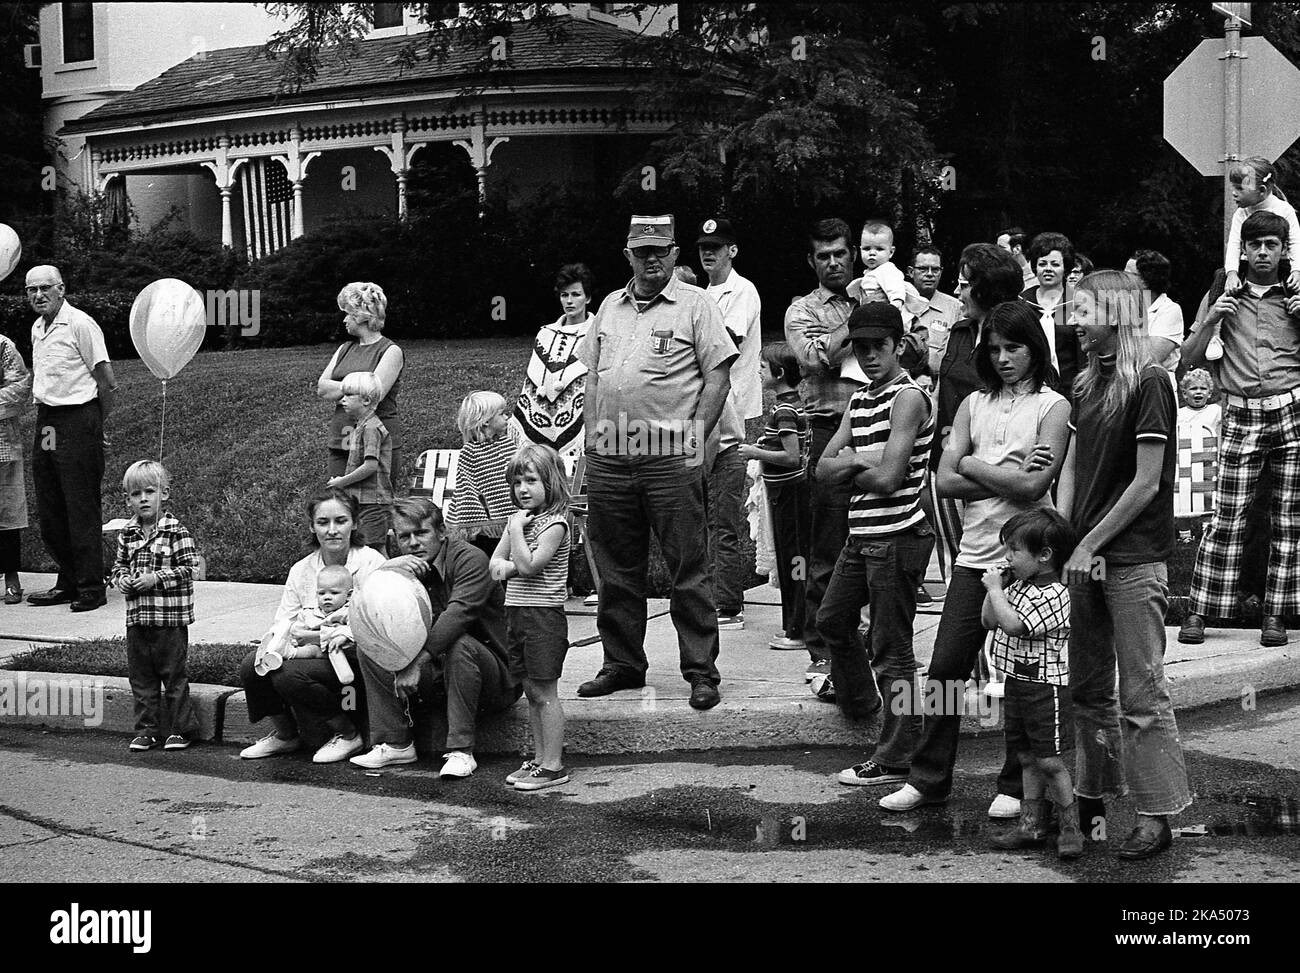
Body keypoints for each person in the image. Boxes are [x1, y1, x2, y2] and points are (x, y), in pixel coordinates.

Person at [880, 300, 1069, 816]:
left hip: (1027, 562)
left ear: (1035, 348)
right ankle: (928, 778)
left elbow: (1036, 486)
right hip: (974, 556)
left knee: (1021, 677)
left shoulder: (1053, 406)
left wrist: (968, 462)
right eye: (995, 349)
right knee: (945, 669)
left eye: (1015, 347)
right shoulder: (971, 404)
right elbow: (943, 482)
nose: (1004, 358)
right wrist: (1001, 467)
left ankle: (1015, 784)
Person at [576, 214, 736, 710]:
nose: (650, 259)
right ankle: (622, 664)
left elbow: (718, 380)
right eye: (640, 251)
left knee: (687, 567)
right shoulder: (608, 306)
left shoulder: (696, 306)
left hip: (669, 457)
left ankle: (701, 672)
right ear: (627, 254)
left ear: (673, 253)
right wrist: (590, 441)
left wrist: (694, 443)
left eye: (660, 251)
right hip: (611, 454)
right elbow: (595, 378)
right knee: (616, 568)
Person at [1058, 269, 1191, 860]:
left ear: (1116, 311)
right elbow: (1072, 469)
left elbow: (1145, 484)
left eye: (1083, 310)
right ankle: (1090, 804)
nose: (1072, 321)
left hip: (1132, 559)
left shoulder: (1152, 381)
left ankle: (1156, 815)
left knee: (1141, 695)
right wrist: (1064, 537)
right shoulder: (1088, 381)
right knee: (1087, 690)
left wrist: (1090, 544)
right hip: (1084, 555)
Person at [814, 302, 935, 786]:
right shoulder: (860, 400)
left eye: (878, 347)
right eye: (860, 348)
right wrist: (860, 459)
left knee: (892, 648)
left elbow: (889, 478)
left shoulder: (908, 397)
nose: (868, 357)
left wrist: (852, 460)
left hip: (898, 535)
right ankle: (864, 703)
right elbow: (821, 470)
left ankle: (897, 756)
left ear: (899, 346)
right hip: (861, 533)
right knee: (831, 620)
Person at [1180, 211, 1300, 648]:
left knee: (1288, 520)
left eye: (1272, 245)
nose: (1264, 252)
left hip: (1291, 411)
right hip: (1240, 412)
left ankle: (1276, 613)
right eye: (1256, 245)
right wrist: (1213, 317)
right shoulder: (1223, 293)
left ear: (1285, 250)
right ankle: (1200, 610)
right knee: (1226, 516)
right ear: (1243, 251)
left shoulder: (1295, 292)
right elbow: (1187, 360)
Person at [351, 498, 521, 778]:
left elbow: (458, 616)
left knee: (460, 643)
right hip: (441, 674)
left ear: (442, 532)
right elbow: (370, 610)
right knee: (371, 645)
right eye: (405, 537)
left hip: (496, 679)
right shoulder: (404, 568)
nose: (414, 543)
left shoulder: (470, 559)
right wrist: (389, 569)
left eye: (422, 533)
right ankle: (396, 743)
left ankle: (461, 751)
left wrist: (415, 665)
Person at [238, 490, 386, 763]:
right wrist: (280, 642)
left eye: (340, 521)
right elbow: (285, 619)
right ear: (312, 526)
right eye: (323, 522)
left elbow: (377, 620)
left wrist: (316, 636)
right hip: (309, 650)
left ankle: (348, 734)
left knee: (288, 675)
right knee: (252, 665)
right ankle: (285, 735)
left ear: (354, 523)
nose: (332, 530)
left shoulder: (372, 563)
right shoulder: (302, 570)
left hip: (354, 657)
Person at [784, 218, 862, 682]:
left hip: (887, 429)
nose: (834, 263)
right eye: (823, 256)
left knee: (879, 540)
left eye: (840, 253)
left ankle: (873, 639)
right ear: (811, 261)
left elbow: (911, 351)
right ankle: (822, 648)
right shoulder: (802, 310)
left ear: (851, 252)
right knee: (828, 544)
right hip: (830, 429)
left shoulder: (878, 292)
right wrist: (861, 319)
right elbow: (815, 361)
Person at [981, 509, 1082, 859]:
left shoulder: (1055, 594)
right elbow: (988, 619)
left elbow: (1012, 626)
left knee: (1050, 760)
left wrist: (996, 589)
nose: (1007, 557)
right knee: (1025, 757)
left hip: (1045, 689)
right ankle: (1031, 824)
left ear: (1044, 556)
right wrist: (996, 589)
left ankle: (1071, 826)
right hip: (1016, 684)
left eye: (1014, 550)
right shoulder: (1018, 586)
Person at [25, 264, 116, 612]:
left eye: (45, 288)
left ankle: (91, 586)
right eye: (32, 290)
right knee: (51, 504)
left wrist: (96, 425)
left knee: (79, 504)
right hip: (48, 422)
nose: (38, 295)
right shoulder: (38, 327)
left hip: (78, 418)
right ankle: (68, 579)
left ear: (62, 289)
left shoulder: (80, 324)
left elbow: (107, 382)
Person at [490, 444, 571, 790]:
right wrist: (513, 554)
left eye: (531, 481)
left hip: (543, 617)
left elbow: (527, 565)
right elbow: (495, 567)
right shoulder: (520, 522)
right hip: (518, 613)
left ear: (550, 482)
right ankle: (539, 759)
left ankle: (554, 764)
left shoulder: (554, 524)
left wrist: (516, 534)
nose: (522, 489)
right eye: (517, 482)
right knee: (531, 691)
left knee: (545, 691)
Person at [109, 460, 201, 752]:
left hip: (169, 619)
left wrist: (155, 579)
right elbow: (119, 567)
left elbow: (189, 568)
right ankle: (146, 729)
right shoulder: (128, 534)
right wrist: (122, 580)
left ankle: (181, 728)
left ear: (165, 494)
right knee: (141, 678)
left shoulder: (176, 532)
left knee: (173, 676)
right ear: (128, 500)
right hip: (138, 620)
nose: (144, 498)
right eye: (136, 494)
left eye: (150, 491)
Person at [698, 217, 763, 631]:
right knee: (701, 513)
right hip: (704, 415)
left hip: (732, 416)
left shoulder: (742, 291)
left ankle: (728, 603)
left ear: (732, 251)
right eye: (704, 246)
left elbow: (723, 348)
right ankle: (707, 594)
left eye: (717, 246)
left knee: (724, 515)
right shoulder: (700, 294)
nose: (709, 252)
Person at [739, 342, 810, 651]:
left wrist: (755, 451)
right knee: (791, 560)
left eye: (763, 367)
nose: (758, 371)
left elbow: (792, 457)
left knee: (794, 560)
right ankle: (794, 624)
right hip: (786, 491)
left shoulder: (784, 410)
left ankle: (799, 628)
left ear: (779, 373)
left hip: (790, 493)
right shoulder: (789, 405)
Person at [317, 282, 404, 493]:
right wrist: (358, 385)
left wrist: (340, 387)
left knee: (374, 509)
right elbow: (322, 388)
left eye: (347, 313)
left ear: (361, 315)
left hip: (375, 445)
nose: (344, 319)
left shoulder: (390, 351)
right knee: (340, 506)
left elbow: (374, 394)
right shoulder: (344, 349)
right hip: (342, 440)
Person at [512, 263, 595, 460]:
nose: (569, 301)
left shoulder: (596, 333)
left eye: (576, 294)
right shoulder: (545, 334)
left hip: (584, 418)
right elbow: (533, 379)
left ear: (588, 298)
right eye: (564, 295)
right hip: (541, 411)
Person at [448, 391, 523, 558]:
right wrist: (475, 520)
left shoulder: (508, 445)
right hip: (486, 526)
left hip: (517, 516)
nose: (507, 418)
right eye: (502, 414)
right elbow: (466, 488)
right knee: (491, 558)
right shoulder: (471, 452)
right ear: (486, 421)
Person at [326, 371, 392, 554]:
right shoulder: (361, 427)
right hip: (362, 500)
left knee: (376, 550)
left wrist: (342, 481)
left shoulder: (371, 428)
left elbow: (370, 466)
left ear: (366, 400)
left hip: (373, 501)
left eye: (348, 395)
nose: (342, 400)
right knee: (364, 549)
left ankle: (390, 580)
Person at [1019, 231, 1079, 396]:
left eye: (1055, 264)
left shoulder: (1077, 302)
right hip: (1030, 389)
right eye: (1043, 264)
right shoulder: (1023, 303)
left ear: (1065, 267)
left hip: (1072, 389)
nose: (1048, 269)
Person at [0, 330, 32, 604]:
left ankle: (11, 576)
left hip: (1, 445)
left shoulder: (2, 346)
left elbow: (19, 389)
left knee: (7, 511)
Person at [1174, 368, 1221, 544]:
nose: (1198, 392)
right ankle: (1184, 533)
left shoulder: (1215, 411)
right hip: (1185, 464)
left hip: (1208, 463)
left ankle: (1207, 529)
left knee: (1209, 497)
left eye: (1203, 388)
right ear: (1185, 394)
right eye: (1193, 389)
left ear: (1209, 393)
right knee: (1182, 497)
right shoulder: (1180, 414)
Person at [908, 245, 963, 379]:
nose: (930, 274)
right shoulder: (899, 303)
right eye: (923, 269)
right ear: (910, 272)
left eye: (935, 269)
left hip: (938, 386)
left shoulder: (956, 308)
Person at [1131, 250, 1184, 373]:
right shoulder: (1124, 307)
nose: (1121, 279)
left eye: (1128, 275)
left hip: (1155, 386)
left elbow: (1150, 358)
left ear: (1145, 280)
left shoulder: (1170, 310)